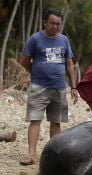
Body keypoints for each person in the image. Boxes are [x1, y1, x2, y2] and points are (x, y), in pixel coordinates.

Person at [19, 8, 78, 165]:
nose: (56, 26)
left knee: (56, 122)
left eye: (58, 24)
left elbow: (70, 64)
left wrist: (73, 86)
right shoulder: (35, 39)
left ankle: (54, 155)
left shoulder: (64, 40)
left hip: (59, 88)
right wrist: (35, 73)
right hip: (39, 87)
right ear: (45, 23)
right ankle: (31, 155)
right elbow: (24, 60)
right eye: (52, 23)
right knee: (35, 120)